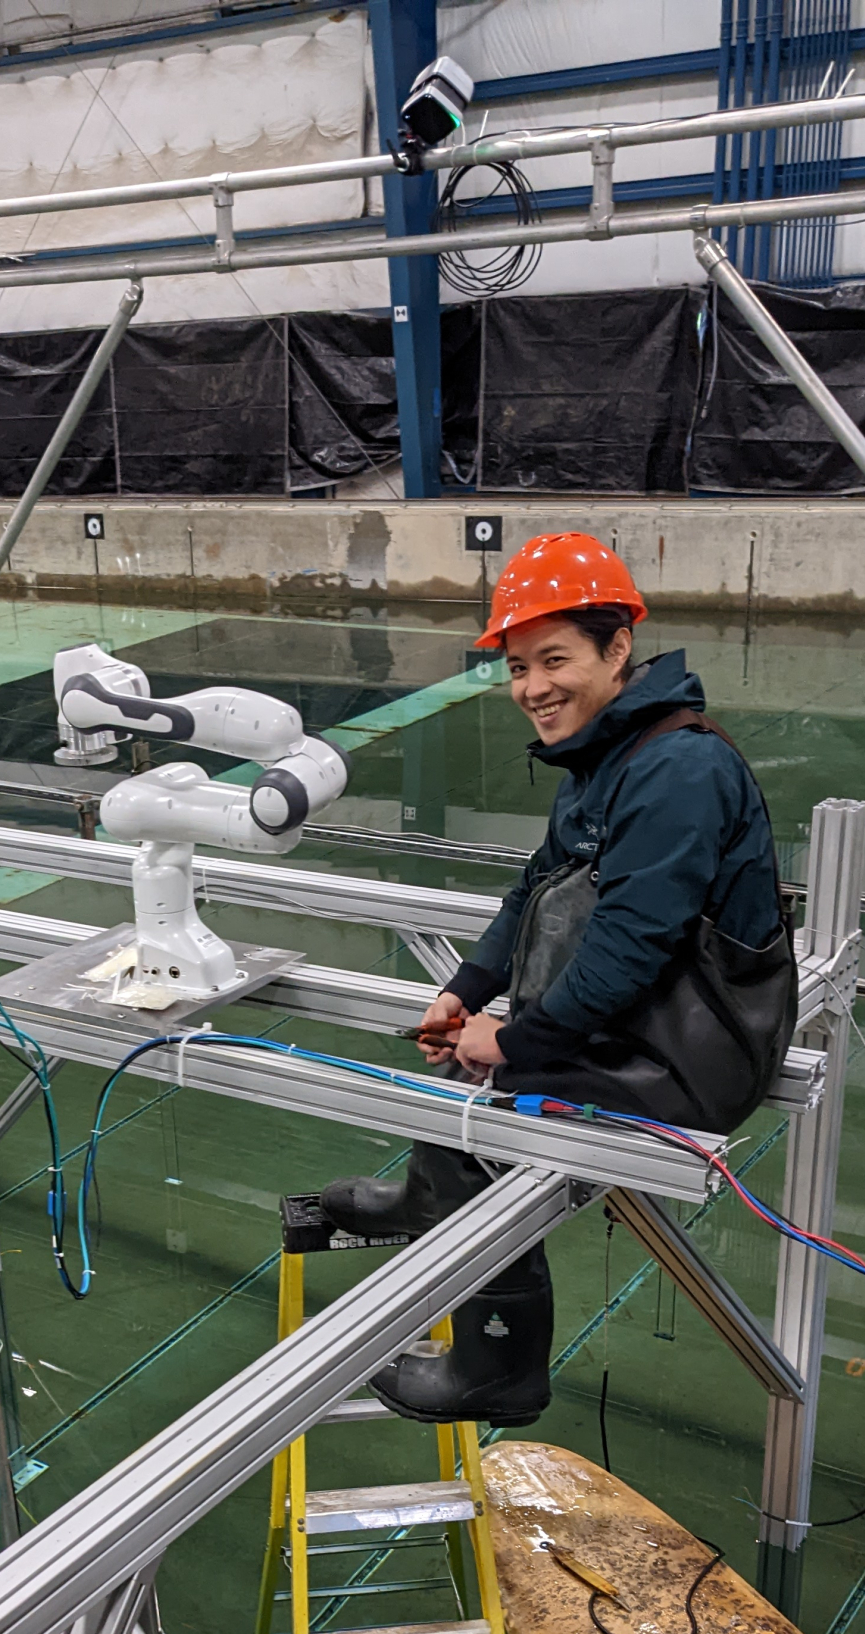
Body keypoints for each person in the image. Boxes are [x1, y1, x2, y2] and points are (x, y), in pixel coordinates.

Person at [320, 530, 790, 1429]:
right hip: (639, 1024)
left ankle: (500, 1367)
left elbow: (629, 942)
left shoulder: (678, 769)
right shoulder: (604, 755)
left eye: (555, 660)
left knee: (476, 1114)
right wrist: (469, 987)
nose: (532, 687)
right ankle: (430, 1203)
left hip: (691, 1055)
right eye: (518, 666)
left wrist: (520, 1038)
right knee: (453, 1071)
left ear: (619, 650)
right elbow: (535, 887)